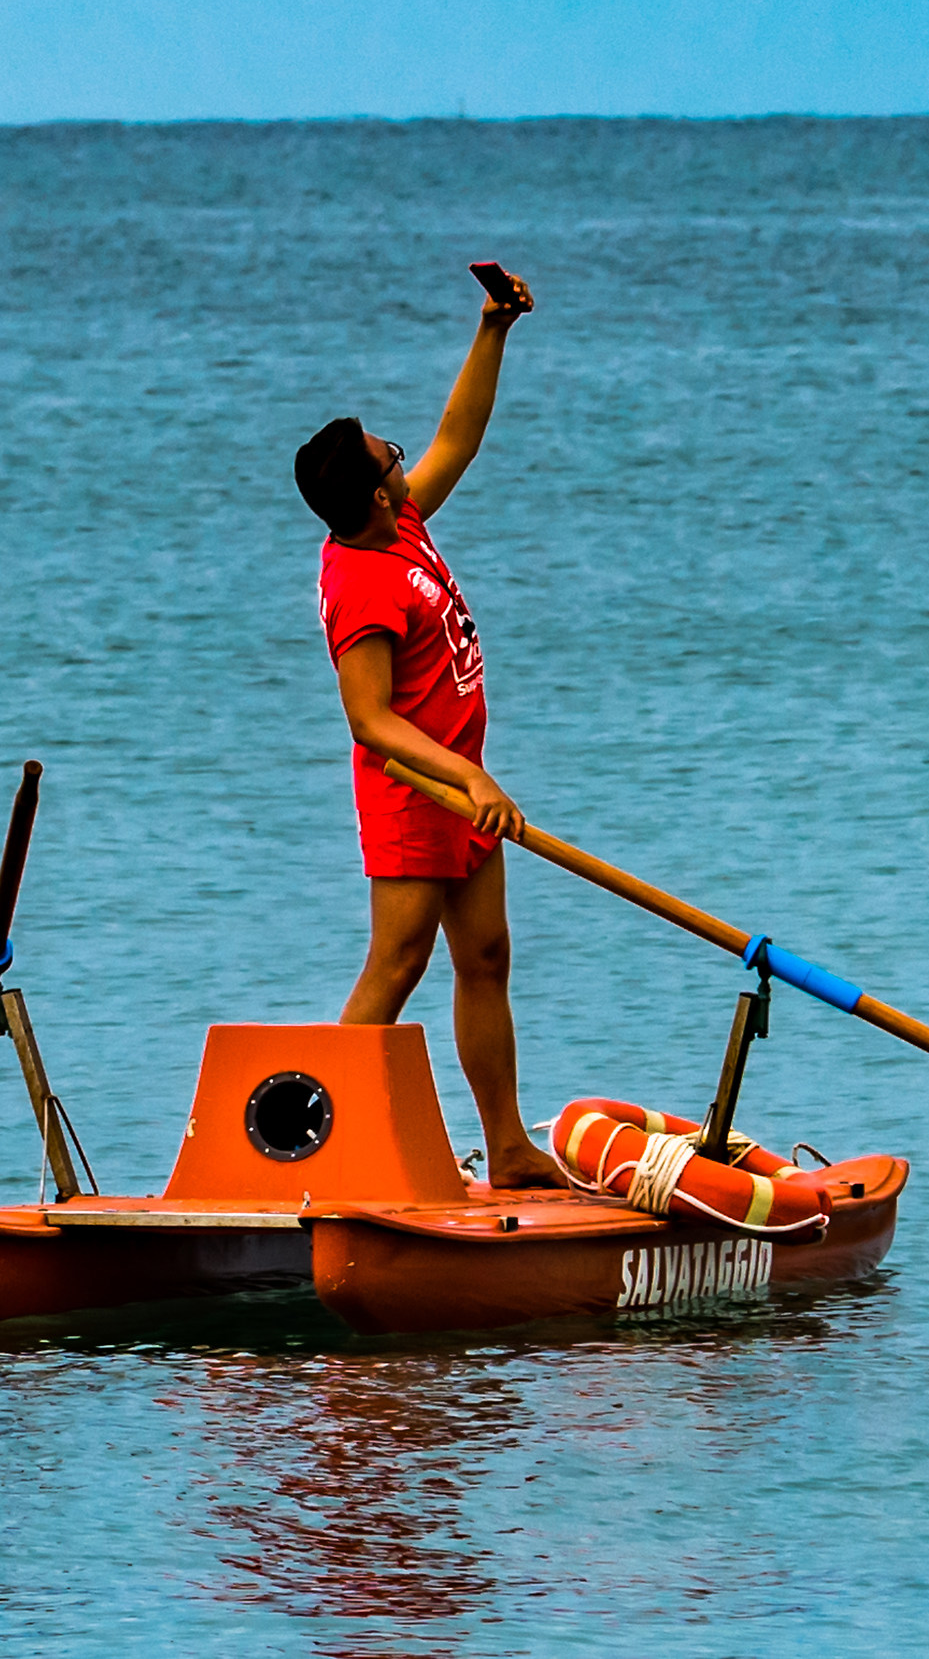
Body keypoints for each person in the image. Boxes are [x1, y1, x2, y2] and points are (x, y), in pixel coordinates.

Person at [293, 271, 566, 1190]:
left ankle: (511, 1147)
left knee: (485, 956)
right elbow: (369, 723)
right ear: (374, 495)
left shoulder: (396, 521)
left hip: (463, 782)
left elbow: (461, 435)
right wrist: (465, 778)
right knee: (398, 964)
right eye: (391, 457)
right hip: (418, 792)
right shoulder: (360, 587)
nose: (407, 460)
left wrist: (493, 332)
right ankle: (307, 1152)